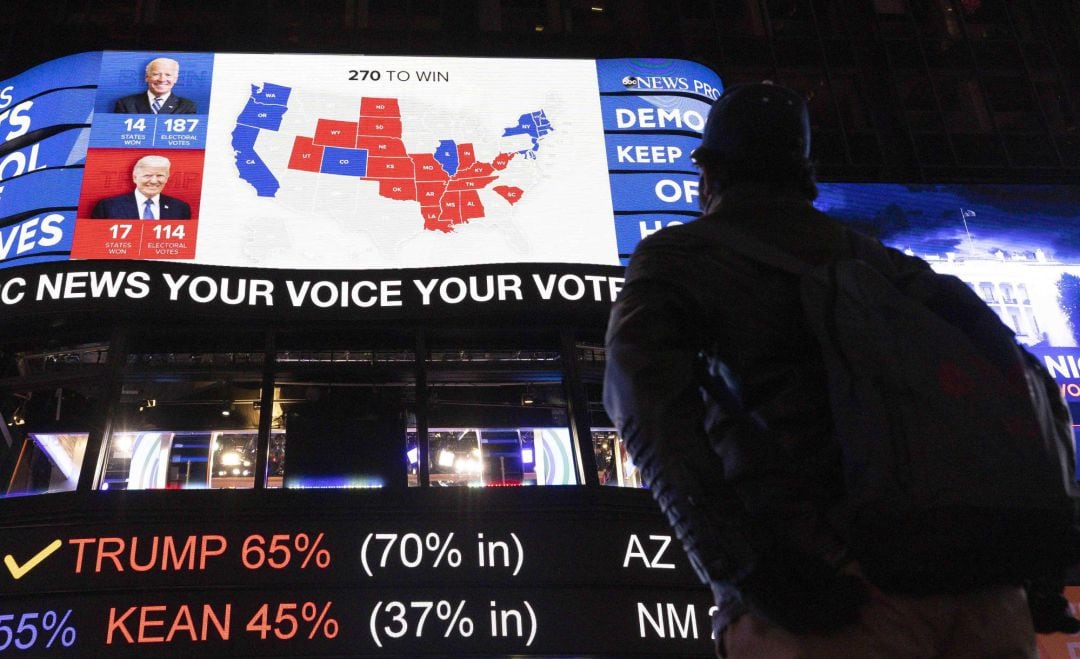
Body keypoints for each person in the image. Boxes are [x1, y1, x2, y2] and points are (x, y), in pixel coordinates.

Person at [603, 82, 1077, 657]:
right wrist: (1038, 569)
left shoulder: (679, 258)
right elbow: (1027, 385)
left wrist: (745, 568)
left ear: (710, 174)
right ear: (804, 172)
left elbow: (645, 411)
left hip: (829, 598)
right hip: (982, 595)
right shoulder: (892, 268)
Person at [92, 155, 191, 220]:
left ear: (167, 178)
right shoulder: (108, 207)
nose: (154, 181)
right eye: (147, 175)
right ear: (135, 178)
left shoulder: (180, 208)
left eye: (160, 175)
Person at [114, 57, 197, 114]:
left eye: (168, 75)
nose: (162, 79)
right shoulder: (125, 104)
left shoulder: (186, 106)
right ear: (147, 77)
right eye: (156, 74)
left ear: (175, 79)